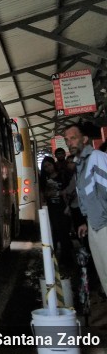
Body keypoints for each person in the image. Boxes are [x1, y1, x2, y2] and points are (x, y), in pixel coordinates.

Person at [64, 122, 107, 295]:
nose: (69, 143)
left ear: (85, 139)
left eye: (73, 138)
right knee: (104, 275)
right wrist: (85, 222)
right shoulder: (80, 165)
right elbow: (89, 197)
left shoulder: (97, 157)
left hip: (104, 225)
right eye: (67, 140)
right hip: (94, 225)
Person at [39, 156, 74, 270]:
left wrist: (68, 204)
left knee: (65, 232)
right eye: (45, 167)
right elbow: (44, 195)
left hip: (64, 207)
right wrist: (48, 193)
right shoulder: (44, 179)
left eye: (49, 165)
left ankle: (67, 258)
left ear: (53, 164)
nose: (48, 168)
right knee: (55, 233)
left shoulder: (63, 175)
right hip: (52, 209)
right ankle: (57, 260)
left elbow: (70, 190)